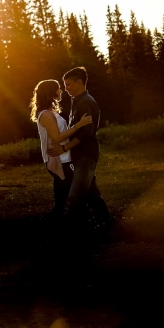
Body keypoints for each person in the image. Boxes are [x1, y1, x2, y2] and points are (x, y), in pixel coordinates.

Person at [47, 67, 111, 230]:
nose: (66, 88)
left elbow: (86, 133)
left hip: (86, 155)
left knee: (75, 196)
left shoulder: (86, 102)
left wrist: (64, 147)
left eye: (68, 84)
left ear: (80, 82)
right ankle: (106, 222)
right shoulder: (78, 101)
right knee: (91, 194)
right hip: (79, 155)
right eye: (65, 85)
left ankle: (77, 229)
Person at [30, 79, 93, 219]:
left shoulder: (51, 112)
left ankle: (59, 217)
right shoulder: (46, 114)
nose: (61, 91)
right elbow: (57, 138)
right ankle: (77, 218)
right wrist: (79, 125)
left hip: (64, 156)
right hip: (58, 158)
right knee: (73, 189)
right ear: (50, 92)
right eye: (58, 88)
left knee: (62, 190)